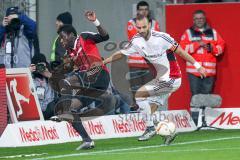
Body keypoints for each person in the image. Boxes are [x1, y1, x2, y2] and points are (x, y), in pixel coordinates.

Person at [100, 15, 206, 144]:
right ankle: (168, 132)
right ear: (135, 27)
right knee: (150, 110)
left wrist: (198, 66)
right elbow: (121, 53)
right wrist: (104, 61)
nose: (142, 30)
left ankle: (150, 128)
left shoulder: (162, 38)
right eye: (139, 27)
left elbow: (181, 52)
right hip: (161, 80)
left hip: (172, 79)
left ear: (149, 24)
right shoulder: (136, 41)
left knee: (139, 95)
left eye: (144, 27)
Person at [53, 11, 110, 150]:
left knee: (66, 83)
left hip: (100, 74)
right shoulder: (69, 54)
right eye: (59, 38)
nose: (61, 41)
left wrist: (95, 21)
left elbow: (105, 36)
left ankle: (65, 111)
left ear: (72, 35)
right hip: (93, 85)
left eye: (62, 37)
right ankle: (87, 140)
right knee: (72, 108)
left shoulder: (84, 37)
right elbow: (69, 71)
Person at [180, 10, 225, 124]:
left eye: (201, 18)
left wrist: (210, 47)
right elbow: (182, 50)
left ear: (204, 19)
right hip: (194, 71)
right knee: (195, 97)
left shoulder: (213, 33)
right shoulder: (188, 33)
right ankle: (195, 122)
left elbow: (220, 48)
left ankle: (205, 121)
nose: (199, 20)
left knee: (207, 97)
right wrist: (197, 44)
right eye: (196, 18)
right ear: (193, 20)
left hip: (209, 72)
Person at [126, 1, 160, 110]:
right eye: (141, 9)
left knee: (149, 91)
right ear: (137, 11)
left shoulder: (155, 23)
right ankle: (136, 115)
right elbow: (136, 39)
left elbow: (156, 41)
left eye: (146, 9)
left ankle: (147, 116)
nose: (143, 11)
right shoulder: (131, 23)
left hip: (150, 63)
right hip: (135, 62)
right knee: (135, 90)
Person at [30, 53, 57, 120]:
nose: (41, 67)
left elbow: (62, 84)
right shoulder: (30, 78)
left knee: (55, 104)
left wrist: (49, 75)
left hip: (49, 111)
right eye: (38, 65)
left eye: (42, 64)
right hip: (35, 111)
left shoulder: (49, 77)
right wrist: (28, 71)